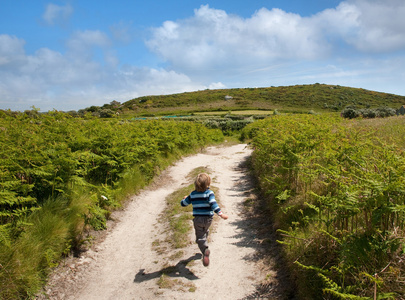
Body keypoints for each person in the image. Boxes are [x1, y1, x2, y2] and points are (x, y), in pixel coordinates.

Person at [180, 173, 228, 267]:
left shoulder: (192, 194)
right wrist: (220, 214)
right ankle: (204, 242)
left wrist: (184, 199)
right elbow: (213, 204)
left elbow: (184, 204)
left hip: (198, 219)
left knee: (199, 237)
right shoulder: (209, 193)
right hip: (208, 219)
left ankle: (205, 250)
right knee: (205, 230)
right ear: (208, 183)